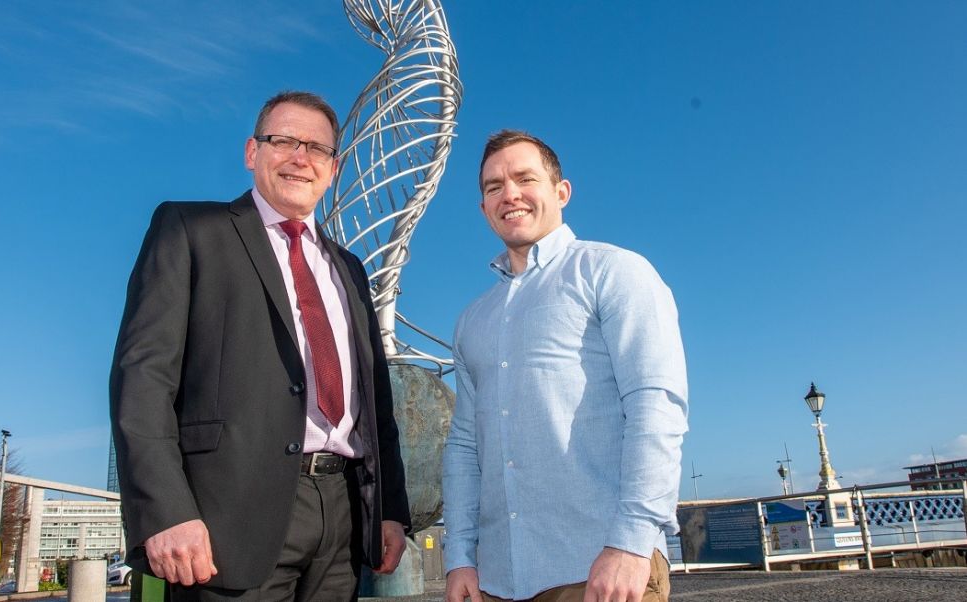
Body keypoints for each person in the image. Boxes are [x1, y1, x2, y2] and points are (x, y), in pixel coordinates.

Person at [110, 90, 411, 602]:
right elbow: (143, 379)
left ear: (333, 169)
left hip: (342, 516)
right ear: (252, 153)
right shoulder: (190, 231)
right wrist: (165, 510)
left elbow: (376, 403)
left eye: (316, 148)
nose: (300, 157)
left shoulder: (350, 270)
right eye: (284, 141)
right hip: (228, 516)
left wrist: (389, 510)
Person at [443, 130, 688, 602]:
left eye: (523, 178)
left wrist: (632, 543)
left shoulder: (613, 272)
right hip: (496, 579)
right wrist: (459, 557)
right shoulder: (472, 319)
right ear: (482, 208)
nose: (509, 194)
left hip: (599, 566)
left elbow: (655, 405)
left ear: (561, 192)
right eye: (493, 187)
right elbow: (463, 446)